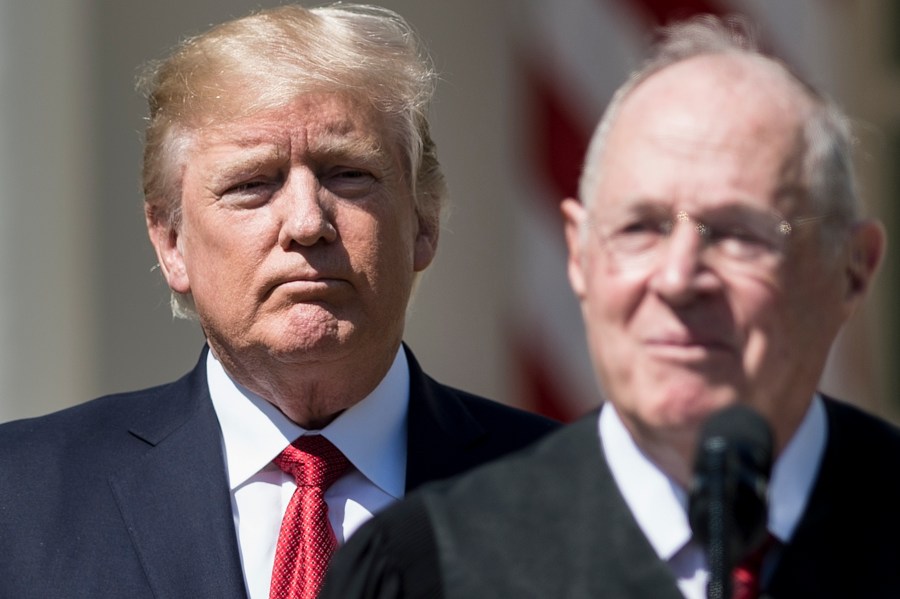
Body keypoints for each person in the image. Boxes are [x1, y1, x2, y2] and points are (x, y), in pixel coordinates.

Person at [321, 15, 900, 599]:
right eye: (640, 228)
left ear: (852, 269)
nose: (677, 279)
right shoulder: (428, 568)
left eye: (738, 233)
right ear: (578, 254)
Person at [0, 5, 557, 598]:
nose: (307, 221)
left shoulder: (570, 493)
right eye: (252, 184)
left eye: (348, 174)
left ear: (424, 223)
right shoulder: (20, 496)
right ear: (171, 242)